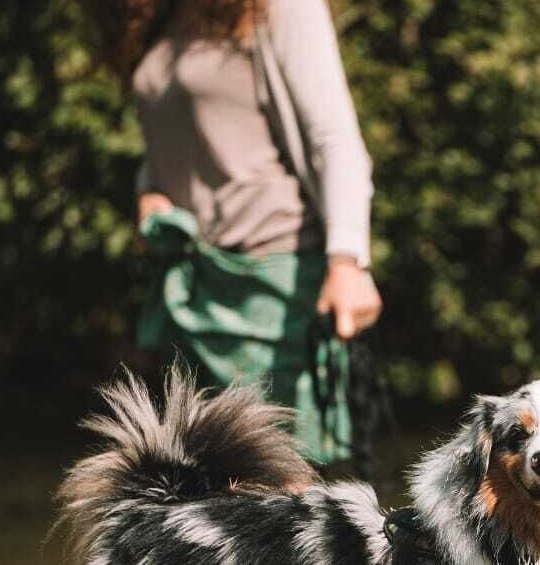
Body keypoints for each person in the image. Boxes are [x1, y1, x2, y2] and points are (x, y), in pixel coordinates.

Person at [83, 0, 381, 466]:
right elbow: (182, 132)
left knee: (278, 482)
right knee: (202, 485)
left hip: (272, 280)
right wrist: (150, 188)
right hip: (192, 287)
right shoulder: (162, 16)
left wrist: (348, 261)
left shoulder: (281, 8)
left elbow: (334, 137)